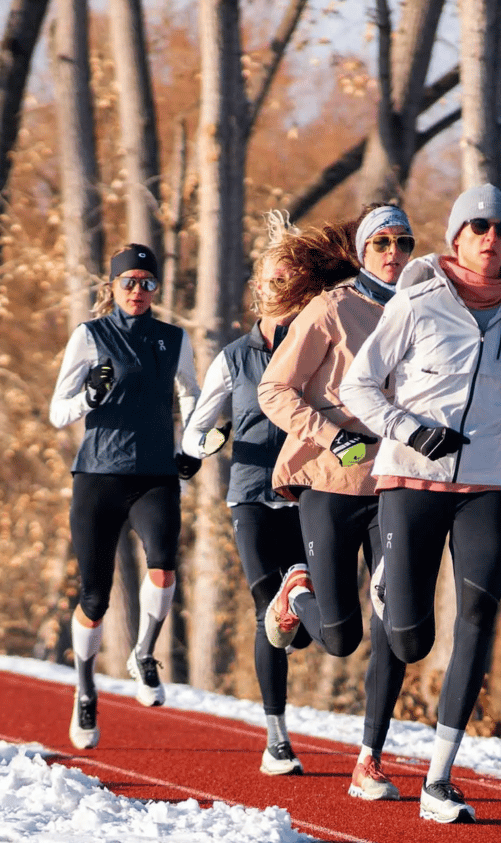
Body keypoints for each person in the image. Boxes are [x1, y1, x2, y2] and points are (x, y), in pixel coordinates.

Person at [339, 184, 501, 823]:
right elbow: (357, 386)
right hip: (409, 479)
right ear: (455, 238)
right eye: (478, 227)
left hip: (483, 484)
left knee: (477, 612)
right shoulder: (417, 304)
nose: (490, 238)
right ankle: (371, 744)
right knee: (410, 639)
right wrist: (408, 428)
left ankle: (440, 778)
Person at [258, 204, 415, 802]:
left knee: (395, 617)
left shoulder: (422, 311)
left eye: (404, 242)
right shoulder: (332, 309)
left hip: (397, 480)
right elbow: (274, 388)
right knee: (343, 637)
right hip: (329, 477)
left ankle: (369, 760)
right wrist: (331, 435)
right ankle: (298, 592)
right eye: (382, 243)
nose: (394, 253)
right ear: (363, 251)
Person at [177, 212, 329, 776]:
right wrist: (206, 440)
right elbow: (198, 426)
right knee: (271, 612)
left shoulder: (322, 348)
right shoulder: (234, 357)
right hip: (250, 497)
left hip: (309, 495)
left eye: (287, 280)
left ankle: (301, 610)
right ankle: (277, 739)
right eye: (268, 282)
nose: (276, 290)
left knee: (312, 625)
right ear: (257, 292)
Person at [49, 243, 201, 750]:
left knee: (163, 563)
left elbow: (192, 395)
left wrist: (192, 446)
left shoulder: (174, 339)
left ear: (158, 288)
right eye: (129, 282)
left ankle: (143, 653)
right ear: (111, 288)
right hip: (98, 476)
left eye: (147, 282)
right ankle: (86, 688)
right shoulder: (90, 336)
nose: (138, 291)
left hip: (155, 473)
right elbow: (57, 413)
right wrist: (90, 395)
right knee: (94, 596)